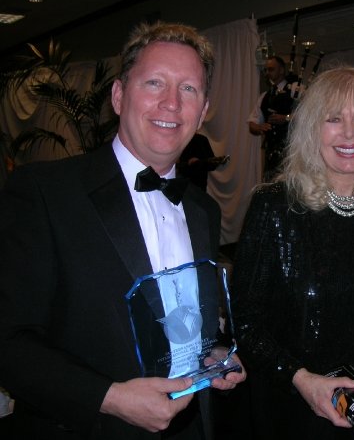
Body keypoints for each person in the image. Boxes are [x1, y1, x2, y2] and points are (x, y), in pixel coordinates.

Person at [0, 21, 245, 439]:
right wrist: (109, 397)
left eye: (189, 89)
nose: (171, 103)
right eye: (154, 83)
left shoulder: (202, 208)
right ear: (118, 96)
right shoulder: (44, 192)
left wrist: (214, 353)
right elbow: (8, 340)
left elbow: (181, 319)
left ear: (203, 111)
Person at [232, 66, 354, 440]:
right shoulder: (274, 207)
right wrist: (301, 379)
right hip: (291, 410)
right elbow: (247, 321)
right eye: (333, 119)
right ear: (311, 130)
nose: (349, 132)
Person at [247, 55, 294, 181]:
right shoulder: (265, 96)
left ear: (282, 70)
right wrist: (259, 127)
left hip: (292, 149)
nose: (267, 73)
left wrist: (287, 118)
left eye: (271, 69)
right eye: (266, 70)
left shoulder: (296, 90)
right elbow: (252, 123)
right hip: (271, 150)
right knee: (270, 183)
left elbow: (309, 117)